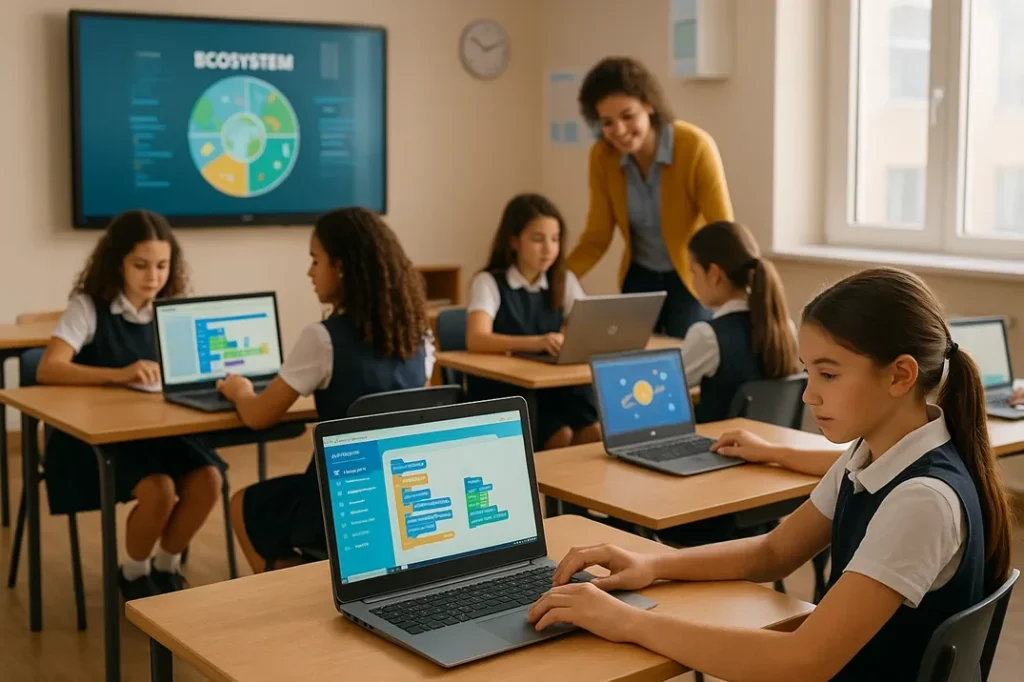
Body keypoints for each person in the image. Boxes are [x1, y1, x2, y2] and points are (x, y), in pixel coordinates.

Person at [528, 267, 1013, 681]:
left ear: (900, 376)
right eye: (808, 373)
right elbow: (773, 552)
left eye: (829, 374)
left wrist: (627, 622)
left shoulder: (921, 499)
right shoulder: (872, 451)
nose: (808, 395)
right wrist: (652, 564)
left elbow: (803, 662)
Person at [217, 207, 434, 573]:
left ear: (342, 267)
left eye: (315, 261)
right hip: (403, 496)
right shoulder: (420, 337)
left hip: (339, 501)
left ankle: (287, 589)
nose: (309, 272)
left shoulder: (323, 339)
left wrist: (238, 389)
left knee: (243, 503)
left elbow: (259, 416)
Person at [37, 210, 224, 599]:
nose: (153, 277)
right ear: (117, 262)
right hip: (98, 437)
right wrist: (117, 374)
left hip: (159, 427)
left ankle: (166, 566)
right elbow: (49, 369)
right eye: (140, 265)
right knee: (160, 491)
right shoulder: (89, 307)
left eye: (161, 265)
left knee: (209, 479)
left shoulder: (171, 307)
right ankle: (134, 574)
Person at [567, 56, 733, 338]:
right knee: (632, 361)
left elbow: (722, 230)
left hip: (691, 278)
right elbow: (597, 236)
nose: (618, 130)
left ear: (649, 105)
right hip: (639, 276)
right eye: (607, 122)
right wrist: (557, 279)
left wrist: (737, 292)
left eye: (627, 116)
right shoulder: (602, 157)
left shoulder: (694, 146)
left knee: (687, 363)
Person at [466, 193, 600, 449]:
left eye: (555, 239)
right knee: (561, 435)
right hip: (508, 388)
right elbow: (476, 338)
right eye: (538, 239)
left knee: (593, 430)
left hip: (555, 384)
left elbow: (586, 324)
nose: (548, 249)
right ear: (513, 241)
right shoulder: (490, 282)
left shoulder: (564, 280)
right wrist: (537, 342)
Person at [682, 221, 799, 422]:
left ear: (714, 274)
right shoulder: (784, 326)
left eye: (694, 272)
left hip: (717, 446)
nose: (692, 281)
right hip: (768, 446)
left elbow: (662, 391)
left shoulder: (707, 336)